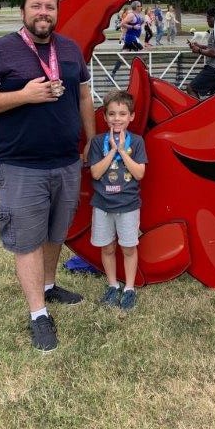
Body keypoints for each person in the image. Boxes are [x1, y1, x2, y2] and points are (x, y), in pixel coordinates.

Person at [0, 0, 95, 352]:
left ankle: (50, 286)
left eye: (50, 7)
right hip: (21, 164)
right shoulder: (1, 50)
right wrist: (26, 95)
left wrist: (90, 138)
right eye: (36, 6)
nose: (44, 12)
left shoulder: (69, 50)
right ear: (23, 11)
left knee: (56, 232)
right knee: (27, 239)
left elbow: (84, 94)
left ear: (57, 12)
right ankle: (38, 314)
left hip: (66, 161)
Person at [89, 90, 147, 310]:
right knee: (107, 248)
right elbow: (95, 173)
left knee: (129, 248)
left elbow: (139, 173)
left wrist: (122, 151)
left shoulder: (138, 142)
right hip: (102, 205)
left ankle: (129, 288)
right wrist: (111, 151)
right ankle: (113, 285)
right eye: (112, 114)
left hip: (128, 205)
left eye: (122, 114)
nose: (117, 118)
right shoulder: (97, 142)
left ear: (131, 116)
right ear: (104, 117)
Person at [185, 6, 215, 98]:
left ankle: (198, 112)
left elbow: (214, 53)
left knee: (191, 88)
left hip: (214, 69)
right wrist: (200, 46)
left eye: (208, 18)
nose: (207, 21)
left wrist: (198, 50)